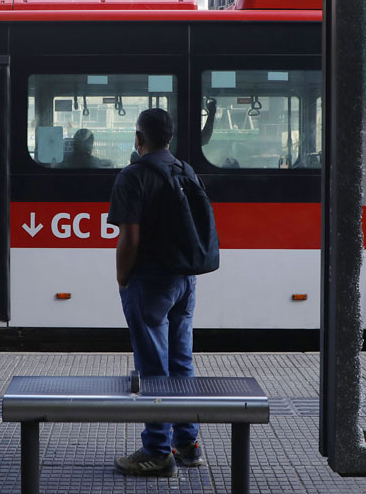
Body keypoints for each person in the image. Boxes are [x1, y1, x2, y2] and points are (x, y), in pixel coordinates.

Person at [107, 108, 203, 477]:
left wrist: (122, 277)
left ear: (138, 139)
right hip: (185, 280)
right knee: (180, 362)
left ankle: (158, 451)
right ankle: (187, 443)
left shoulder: (133, 176)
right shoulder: (185, 170)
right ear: (170, 138)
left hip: (150, 281)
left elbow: (129, 238)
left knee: (152, 368)